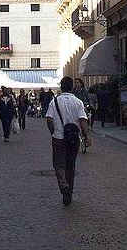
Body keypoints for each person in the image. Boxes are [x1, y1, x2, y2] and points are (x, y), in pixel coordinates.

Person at [46, 76, 90, 206]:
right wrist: (87, 136)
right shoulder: (78, 102)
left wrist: (53, 131)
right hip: (73, 139)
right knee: (71, 165)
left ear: (61, 86)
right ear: (71, 87)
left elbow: (49, 119)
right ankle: (69, 193)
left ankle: (63, 184)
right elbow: (83, 120)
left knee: (59, 164)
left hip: (58, 138)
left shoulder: (54, 102)